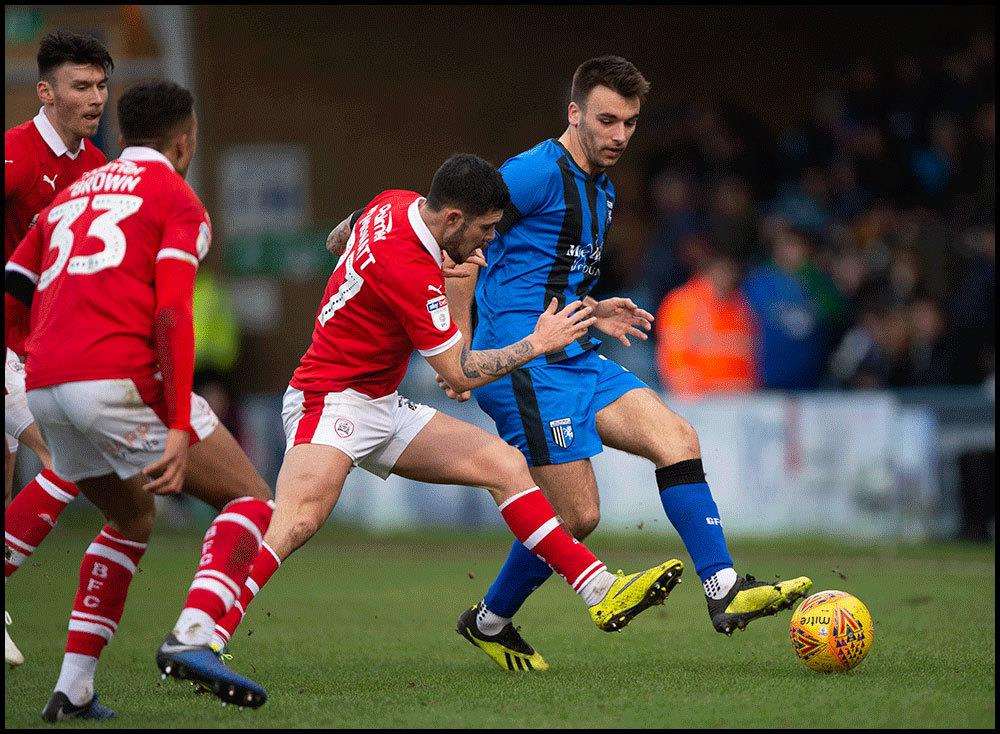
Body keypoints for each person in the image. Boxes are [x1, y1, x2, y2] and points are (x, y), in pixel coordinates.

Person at [199, 155, 685, 680]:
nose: (487, 244)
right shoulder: (408, 264)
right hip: (330, 399)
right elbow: (459, 374)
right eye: (485, 230)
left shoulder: (394, 202)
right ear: (453, 218)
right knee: (294, 522)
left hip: (378, 401)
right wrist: (537, 343)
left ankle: (599, 590)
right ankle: (204, 637)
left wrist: (416, 272)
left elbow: (338, 238)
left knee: (503, 465)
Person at [439, 56, 811, 671]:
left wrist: (593, 309)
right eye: (606, 120)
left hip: (576, 347)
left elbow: (542, 270)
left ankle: (724, 591)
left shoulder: (602, 186)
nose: (619, 136)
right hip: (524, 363)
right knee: (578, 516)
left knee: (677, 437)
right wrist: (459, 344)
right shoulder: (533, 173)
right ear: (574, 114)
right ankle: (487, 621)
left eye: (630, 123)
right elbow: (455, 237)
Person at [5, 81, 275, 721]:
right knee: (250, 499)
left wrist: (40, 353)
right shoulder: (177, 198)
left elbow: (13, 287)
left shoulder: (69, 195)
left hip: (46, 379)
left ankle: (73, 690)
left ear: (123, 135)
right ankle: (195, 633)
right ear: (184, 141)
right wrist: (179, 423)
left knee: (130, 517)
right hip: (119, 374)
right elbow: (172, 312)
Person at [4, 30, 114, 668]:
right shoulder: (14, 159)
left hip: (43, 352)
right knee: (58, 457)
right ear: (45, 92)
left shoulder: (97, 170)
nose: (95, 97)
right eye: (81, 85)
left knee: (54, 463)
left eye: (101, 85)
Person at [655, 254, 758, 397]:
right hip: (699, 403)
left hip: (738, 400)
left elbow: (749, 355)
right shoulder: (684, 302)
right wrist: (688, 394)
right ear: (708, 270)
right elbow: (674, 353)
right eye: (722, 269)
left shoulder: (741, 306)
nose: (728, 275)